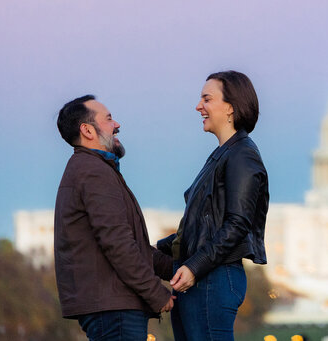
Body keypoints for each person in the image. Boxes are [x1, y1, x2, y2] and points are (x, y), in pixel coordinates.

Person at [159, 70, 270, 341]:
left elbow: (237, 224)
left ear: (230, 107)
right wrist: (150, 250)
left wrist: (195, 266)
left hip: (213, 278)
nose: (199, 106)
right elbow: (200, 229)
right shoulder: (223, 155)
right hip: (200, 277)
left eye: (207, 99)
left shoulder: (242, 155)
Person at [54, 95, 175, 341]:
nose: (117, 124)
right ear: (88, 130)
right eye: (108, 119)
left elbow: (129, 246)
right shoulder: (94, 172)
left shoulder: (92, 169)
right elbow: (118, 244)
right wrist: (156, 293)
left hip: (110, 305)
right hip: (114, 310)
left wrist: (177, 268)